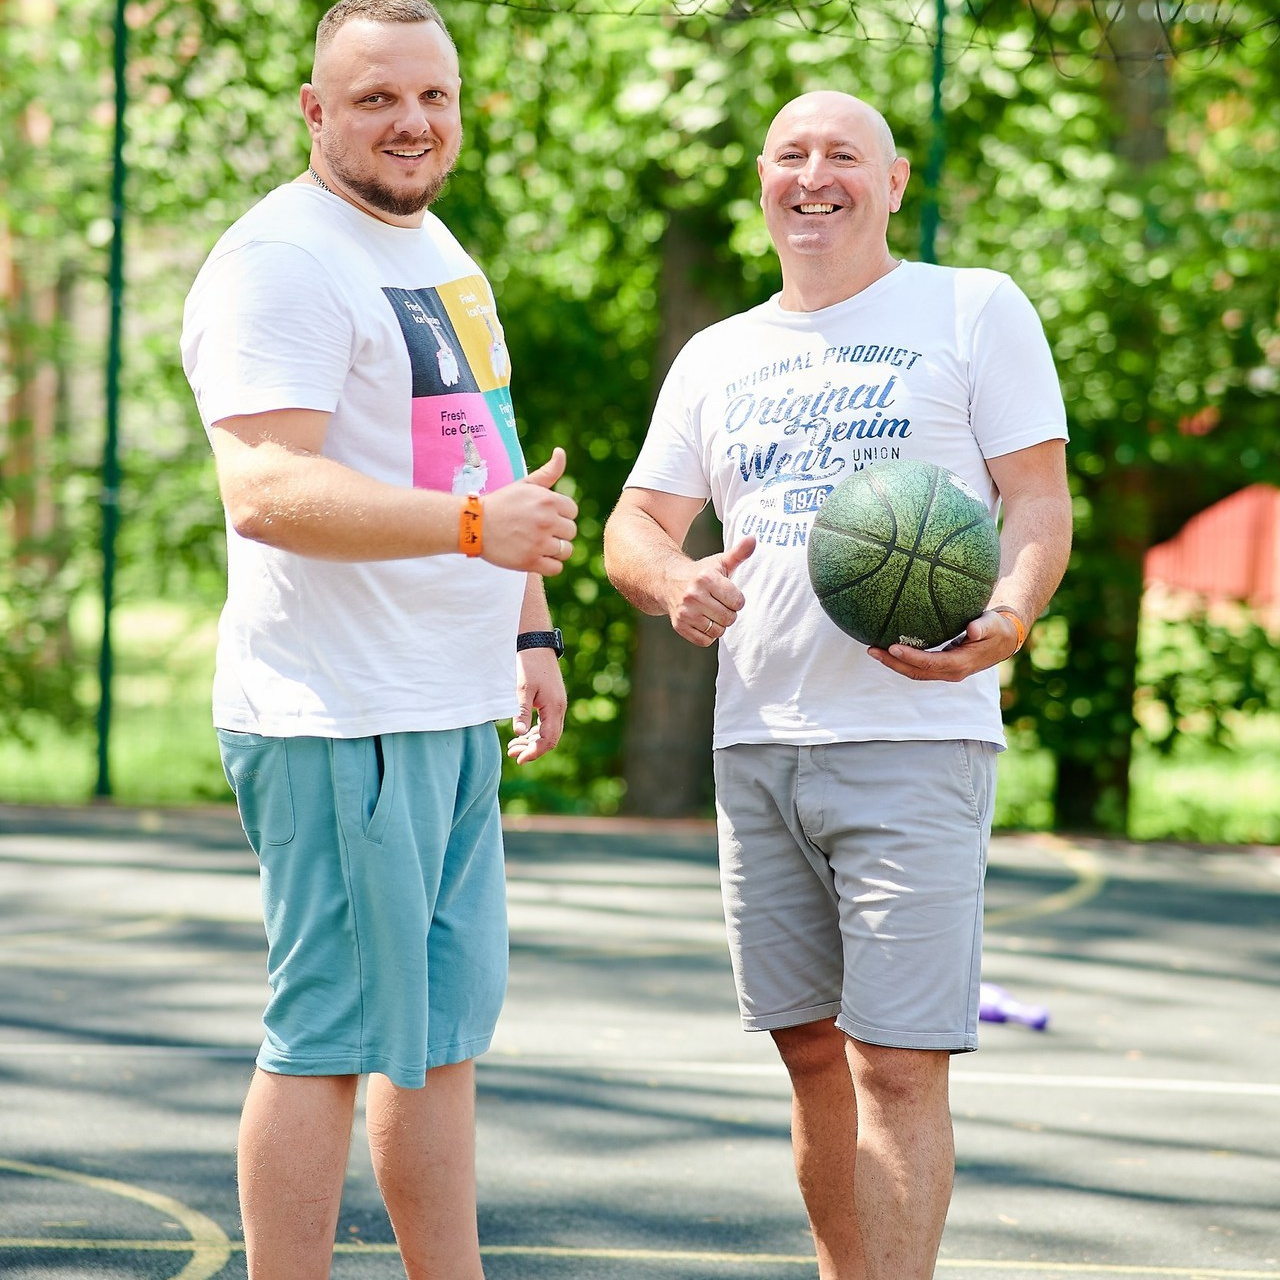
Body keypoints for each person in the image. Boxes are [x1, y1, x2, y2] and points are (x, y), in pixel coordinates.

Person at [603, 91, 1072, 1279]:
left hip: (912, 730)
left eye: (843, 155)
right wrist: (671, 580)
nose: (813, 176)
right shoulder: (718, 352)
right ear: (762, 180)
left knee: (897, 1061)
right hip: (758, 737)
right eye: (790, 155)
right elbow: (634, 522)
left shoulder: (970, 307)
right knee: (809, 1052)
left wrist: (1007, 617)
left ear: (894, 180)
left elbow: (1036, 497)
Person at [180, 3, 578, 1276]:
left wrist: (530, 631)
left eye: (432, 97)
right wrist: (472, 528)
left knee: (440, 1043)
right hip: (337, 709)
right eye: (374, 98)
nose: (412, 122)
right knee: (330, 1041)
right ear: (315, 111)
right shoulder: (281, 261)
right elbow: (265, 489)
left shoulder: (436, 248)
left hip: (447, 701)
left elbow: (485, 451)